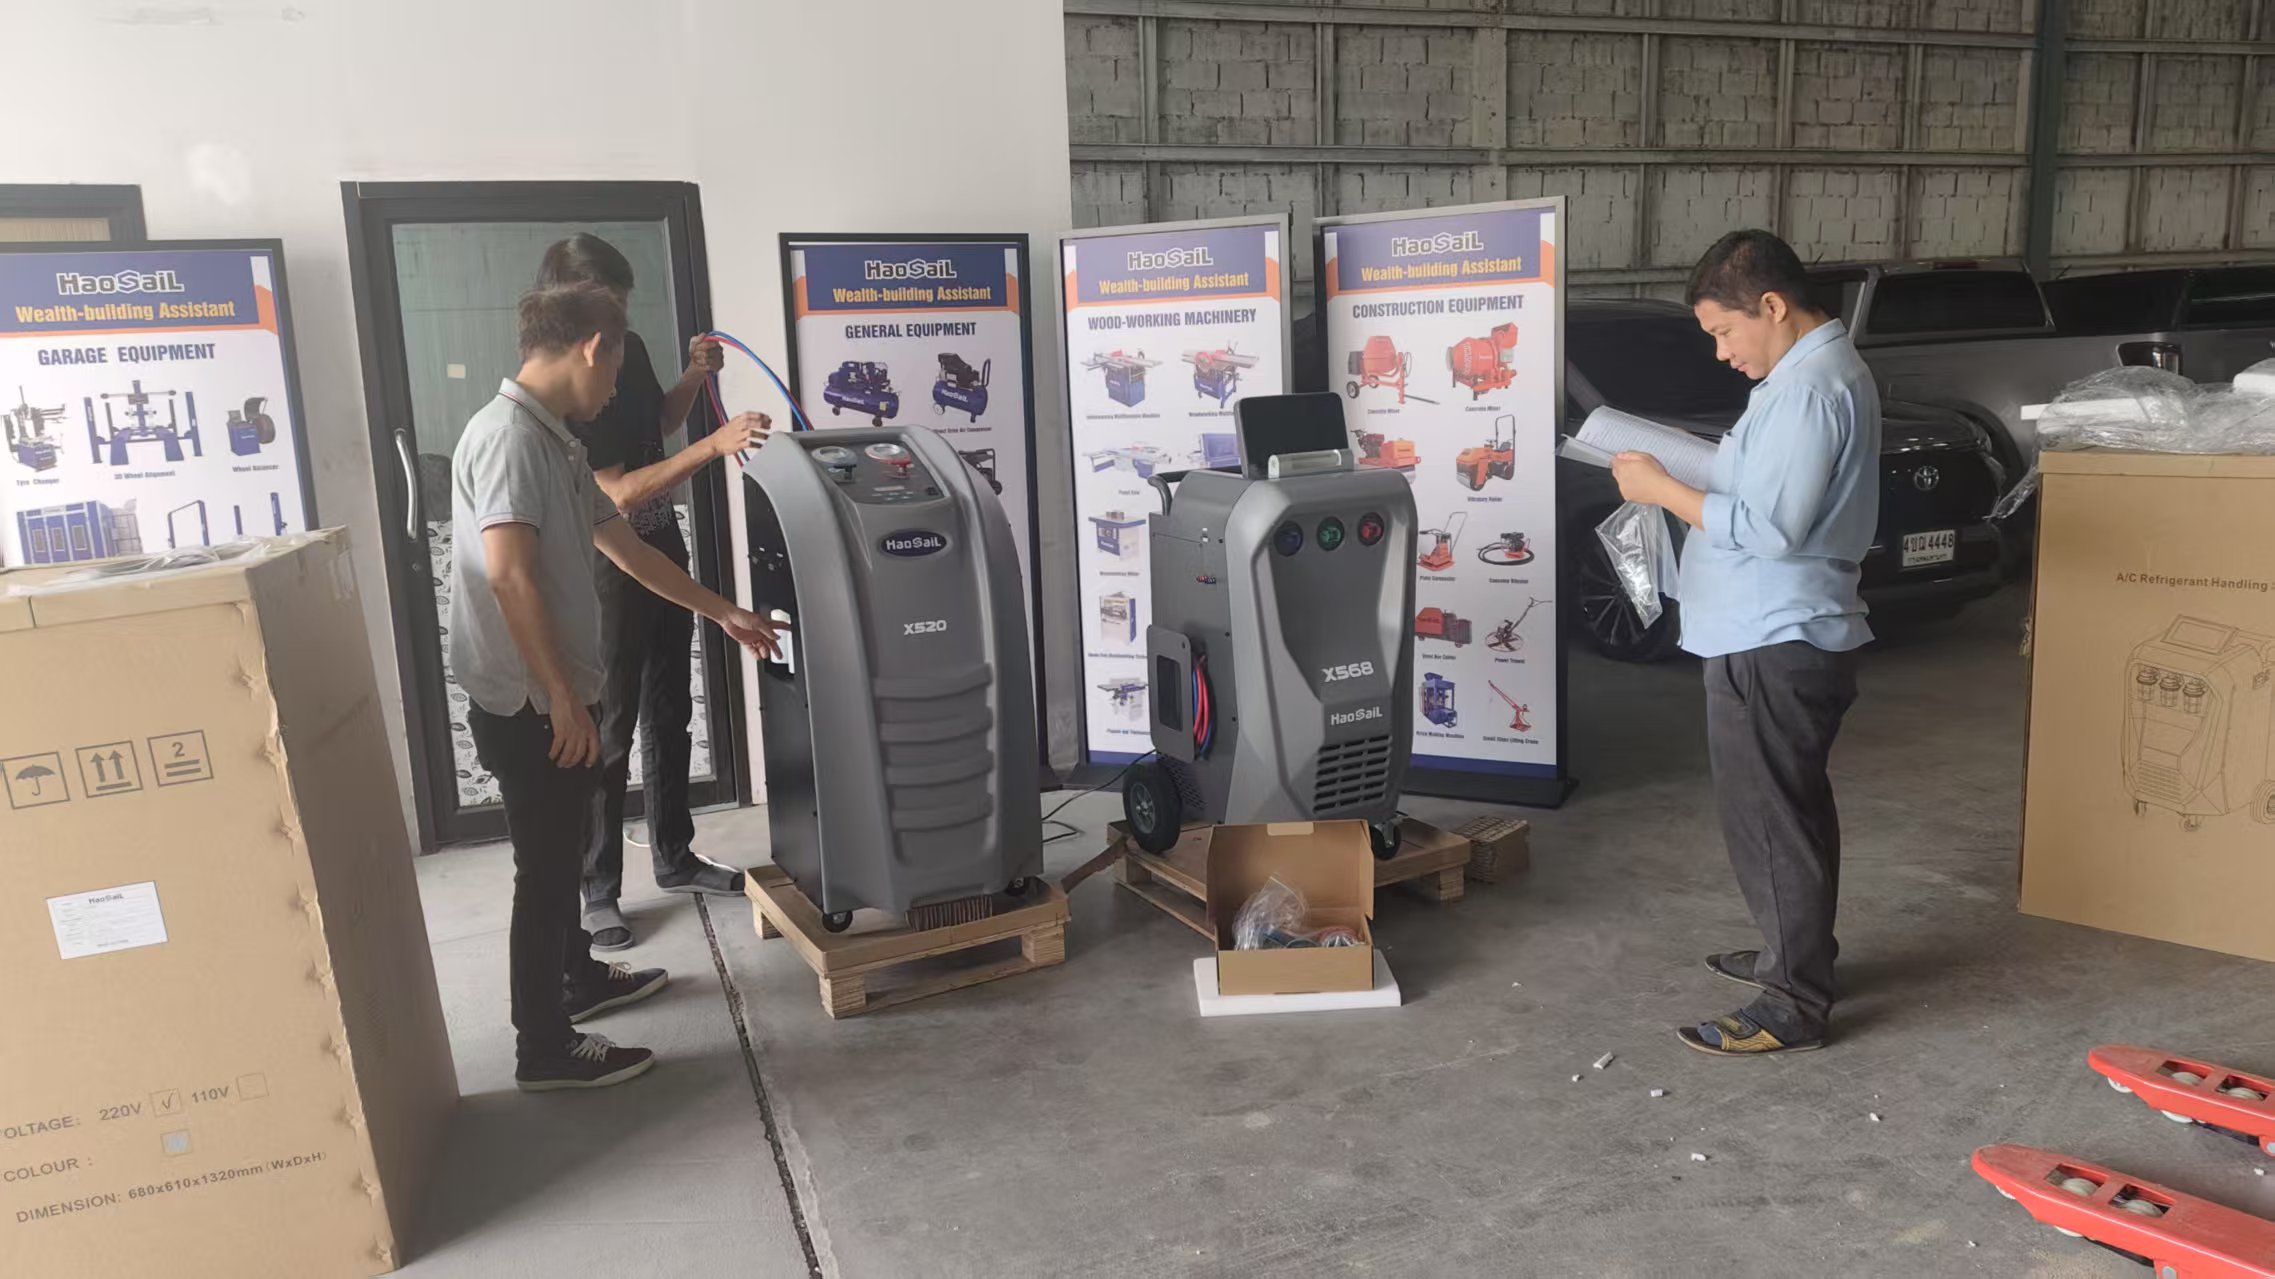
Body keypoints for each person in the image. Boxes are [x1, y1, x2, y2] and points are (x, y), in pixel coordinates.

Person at [451, 282, 783, 1091]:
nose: (616, 390)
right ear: (593, 347)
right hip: (529, 701)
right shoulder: (509, 439)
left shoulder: (554, 440)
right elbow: (509, 576)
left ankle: (579, 979)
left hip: (554, 690)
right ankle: (544, 1048)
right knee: (545, 869)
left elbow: (626, 548)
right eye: (617, 366)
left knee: (564, 849)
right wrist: (560, 696)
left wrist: (723, 611)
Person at [1609, 229, 1880, 1057]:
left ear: (1771, 305)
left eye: (1724, 331)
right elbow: (1767, 491)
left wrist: (1660, 487)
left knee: (1769, 819)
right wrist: (1690, 467)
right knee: (1788, 809)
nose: (1721, 352)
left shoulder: (1807, 390)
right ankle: (1793, 952)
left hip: (1771, 631)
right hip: (1774, 627)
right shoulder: (1806, 379)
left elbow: (1770, 528)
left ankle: (1793, 998)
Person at [533, 234, 771, 952]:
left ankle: (674, 854)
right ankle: (598, 886)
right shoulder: (558, 395)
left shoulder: (625, 351)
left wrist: (694, 378)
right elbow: (618, 491)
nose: (620, 325)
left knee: (671, 707)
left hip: (661, 541)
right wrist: (715, 446)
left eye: (624, 307)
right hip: (609, 563)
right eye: (610, 307)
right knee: (612, 724)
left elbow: (657, 426)